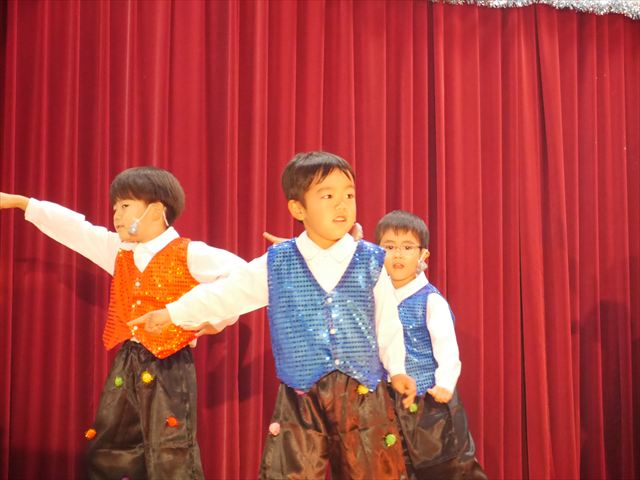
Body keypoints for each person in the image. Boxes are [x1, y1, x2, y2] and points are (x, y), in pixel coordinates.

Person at [130, 151, 417, 479]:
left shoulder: (370, 260)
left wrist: (397, 369)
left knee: (372, 470)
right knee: (290, 471)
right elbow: (227, 293)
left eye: (349, 195)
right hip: (300, 396)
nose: (342, 204)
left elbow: (387, 321)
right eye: (328, 196)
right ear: (298, 208)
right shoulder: (279, 262)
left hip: (363, 395)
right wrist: (172, 312)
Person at [0, 166, 245, 479]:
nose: (116, 215)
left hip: (169, 363)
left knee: (170, 449)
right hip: (128, 360)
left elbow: (242, 277)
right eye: (115, 207)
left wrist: (216, 319)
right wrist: (21, 202)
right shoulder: (120, 251)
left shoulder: (189, 253)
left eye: (125, 206)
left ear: (155, 210)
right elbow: (77, 231)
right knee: (109, 446)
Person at [375, 210, 487, 479]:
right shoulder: (375, 297)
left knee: (450, 469)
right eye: (389, 247)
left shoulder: (430, 301)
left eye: (407, 247)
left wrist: (445, 384)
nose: (398, 255)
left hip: (429, 405)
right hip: (386, 404)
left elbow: (447, 348)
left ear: (423, 255)